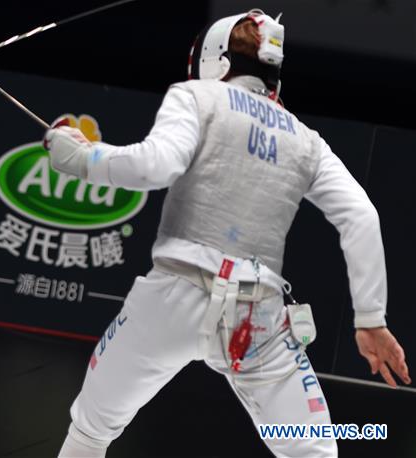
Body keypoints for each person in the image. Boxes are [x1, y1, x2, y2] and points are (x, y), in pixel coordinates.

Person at [43, 9, 410, 457]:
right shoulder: (306, 140)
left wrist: (80, 157)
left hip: (171, 299)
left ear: (214, 61)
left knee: (90, 431)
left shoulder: (196, 97)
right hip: (257, 320)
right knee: (313, 452)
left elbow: (154, 165)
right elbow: (362, 216)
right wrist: (371, 319)